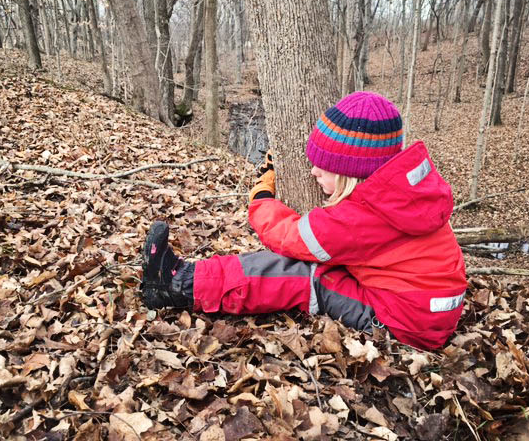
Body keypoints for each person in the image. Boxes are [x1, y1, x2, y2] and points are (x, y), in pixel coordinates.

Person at [140, 91, 466, 350]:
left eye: (323, 168)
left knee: (304, 275)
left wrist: (262, 195)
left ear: (351, 175)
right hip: (431, 316)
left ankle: (177, 286)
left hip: (402, 325)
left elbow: (290, 237)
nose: (312, 172)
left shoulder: (362, 218)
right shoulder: (405, 192)